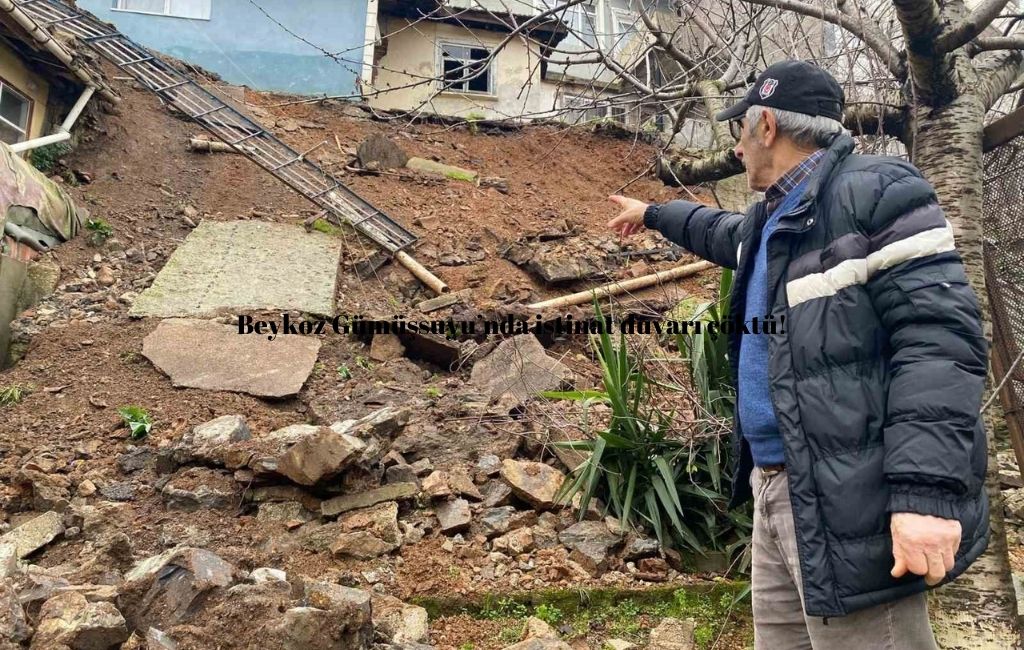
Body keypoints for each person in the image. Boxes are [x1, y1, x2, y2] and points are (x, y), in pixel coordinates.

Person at [607, 60, 989, 649]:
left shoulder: (876, 194)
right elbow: (718, 230)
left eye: (739, 130)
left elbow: (940, 345)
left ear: (765, 126)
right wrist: (653, 215)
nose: (735, 147)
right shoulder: (774, 220)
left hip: (850, 495)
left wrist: (925, 499)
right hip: (776, 487)